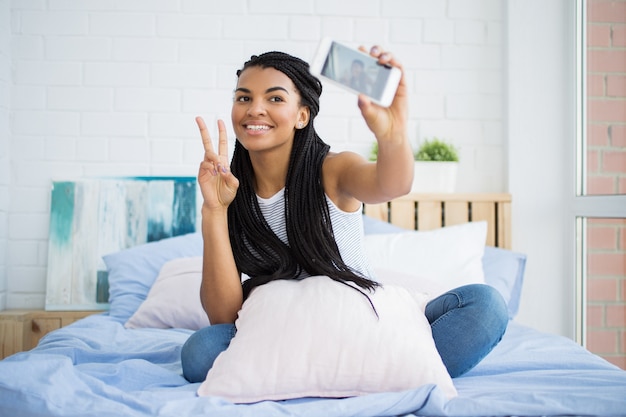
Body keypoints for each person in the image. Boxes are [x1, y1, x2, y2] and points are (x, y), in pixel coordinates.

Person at [181, 46, 508, 383]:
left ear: (302, 115)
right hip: (280, 334)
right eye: (243, 98)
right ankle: (367, 377)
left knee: (486, 306)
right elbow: (222, 316)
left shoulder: (333, 170)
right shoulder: (228, 192)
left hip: (367, 326)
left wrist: (391, 134)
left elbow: (391, 184)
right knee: (200, 353)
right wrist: (215, 210)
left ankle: (329, 376)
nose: (255, 110)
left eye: (275, 99)